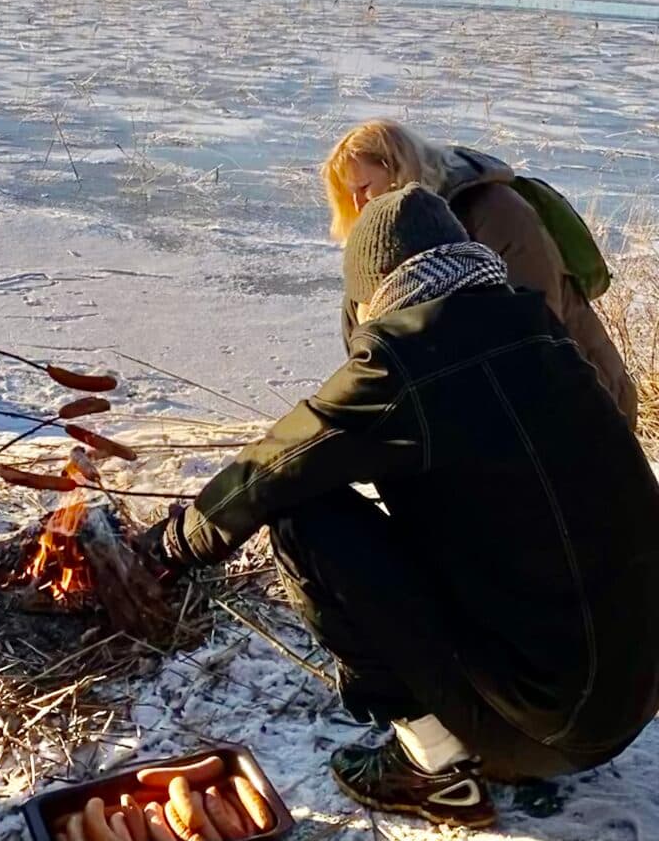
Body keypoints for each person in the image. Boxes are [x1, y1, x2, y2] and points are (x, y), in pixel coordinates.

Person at [145, 185, 659, 829]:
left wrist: (169, 546)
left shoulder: (407, 359)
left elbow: (271, 470)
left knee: (307, 520)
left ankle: (433, 767)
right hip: (633, 695)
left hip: (551, 722)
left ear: (373, 291)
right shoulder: (538, 332)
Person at [322, 120, 636, 425]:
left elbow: (534, 322)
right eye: (348, 196)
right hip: (507, 407)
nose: (358, 204)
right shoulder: (389, 238)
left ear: (397, 168)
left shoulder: (494, 210)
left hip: (580, 401)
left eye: (364, 188)